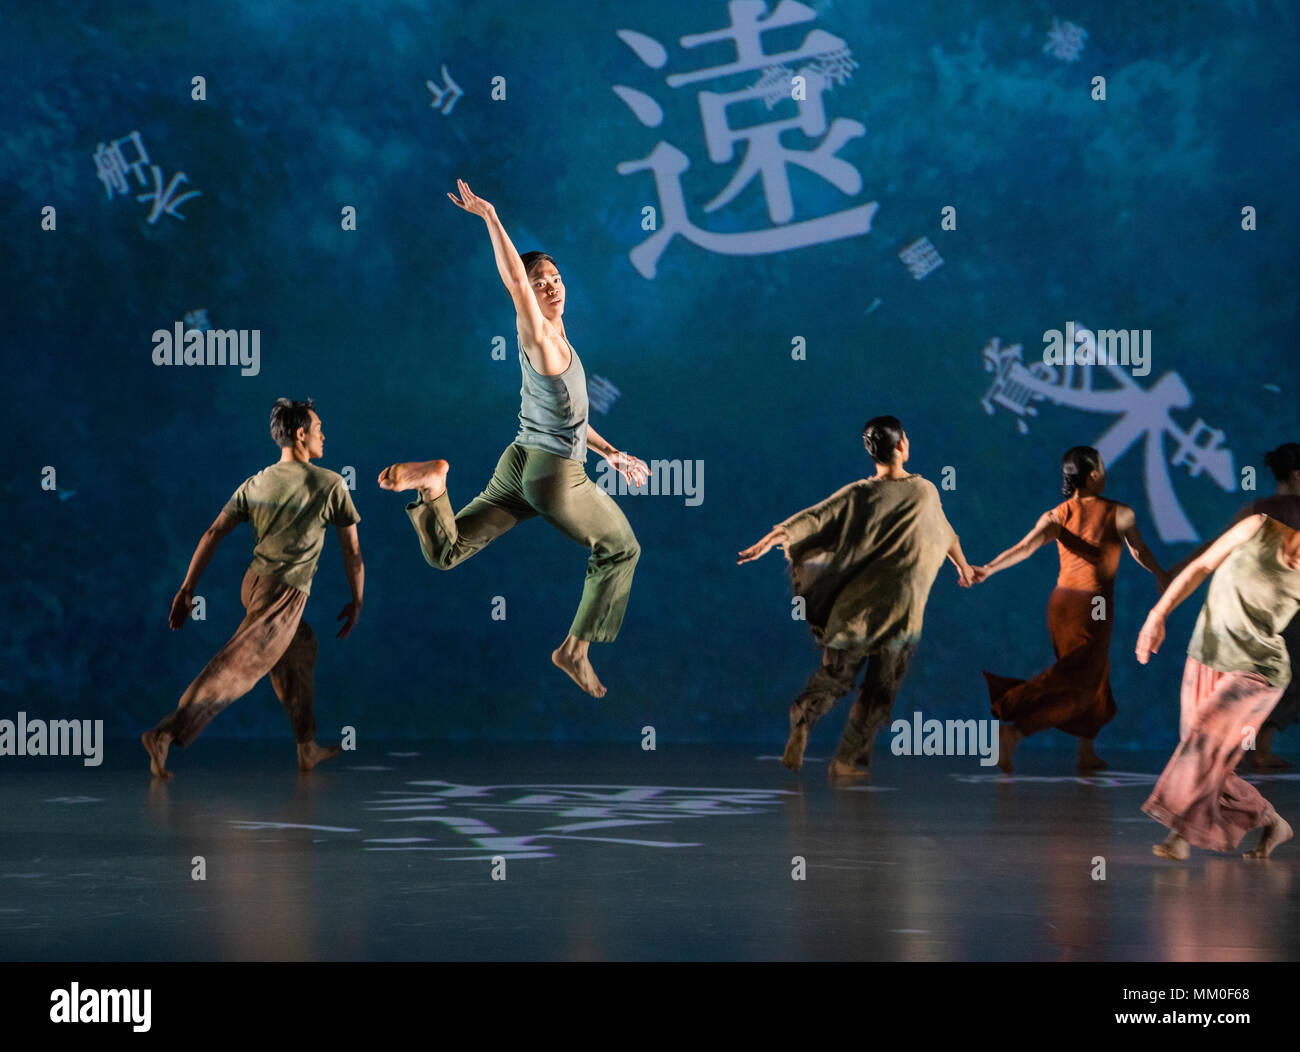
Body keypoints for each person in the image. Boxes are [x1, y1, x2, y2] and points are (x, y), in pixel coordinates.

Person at [380, 179, 647, 698]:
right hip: (552, 476)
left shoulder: (563, 341)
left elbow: (568, 420)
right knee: (621, 548)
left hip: (519, 464)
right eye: (539, 281)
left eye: (555, 278)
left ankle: (434, 486)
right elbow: (515, 286)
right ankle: (574, 650)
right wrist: (491, 217)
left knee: (446, 552)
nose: (549, 286)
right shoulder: (540, 335)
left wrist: (611, 452)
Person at [738, 416, 975, 777]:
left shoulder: (857, 495)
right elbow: (945, 534)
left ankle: (803, 721)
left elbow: (815, 518)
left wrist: (775, 537)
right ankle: (848, 760)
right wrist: (964, 568)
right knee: (880, 692)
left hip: (854, 615)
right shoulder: (925, 491)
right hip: (901, 614)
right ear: (901, 446)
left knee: (834, 678)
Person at [142, 399, 364, 778]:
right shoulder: (329, 483)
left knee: (299, 650)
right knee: (238, 666)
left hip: (255, 584)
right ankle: (166, 732)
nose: (323, 434)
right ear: (300, 434)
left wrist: (187, 589)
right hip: (283, 594)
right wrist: (357, 597)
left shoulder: (256, 482)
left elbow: (214, 532)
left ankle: (306, 745)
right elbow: (352, 550)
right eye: (318, 427)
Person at [975, 447, 1168, 773]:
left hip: (1062, 604)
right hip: (1093, 604)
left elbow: (1025, 548)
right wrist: (1162, 575)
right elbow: (1139, 550)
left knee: (1092, 674)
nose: (1106, 473)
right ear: (1093, 475)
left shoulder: (1057, 513)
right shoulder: (1120, 512)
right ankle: (1013, 723)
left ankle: (1086, 750)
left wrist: (988, 569)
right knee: (1079, 679)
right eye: (1103, 468)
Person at [1137, 513, 1300, 859]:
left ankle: (1179, 834)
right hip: (1206, 654)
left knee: (1203, 745)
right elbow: (1201, 566)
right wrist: (1157, 614)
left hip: (1259, 671)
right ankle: (1270, 820)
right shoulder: (1258, 527)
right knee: (1207, 758)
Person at [1168, 442, 1300, 769]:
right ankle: (1256, 749)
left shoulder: (1257, 509)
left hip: (1260, 611)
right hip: (1283, 611)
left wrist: (1174, 572)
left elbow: (1217, 547)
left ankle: (1244, 748)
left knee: (1261, 680)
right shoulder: (1274, 512)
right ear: (1297, 475)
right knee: (1279, 679)